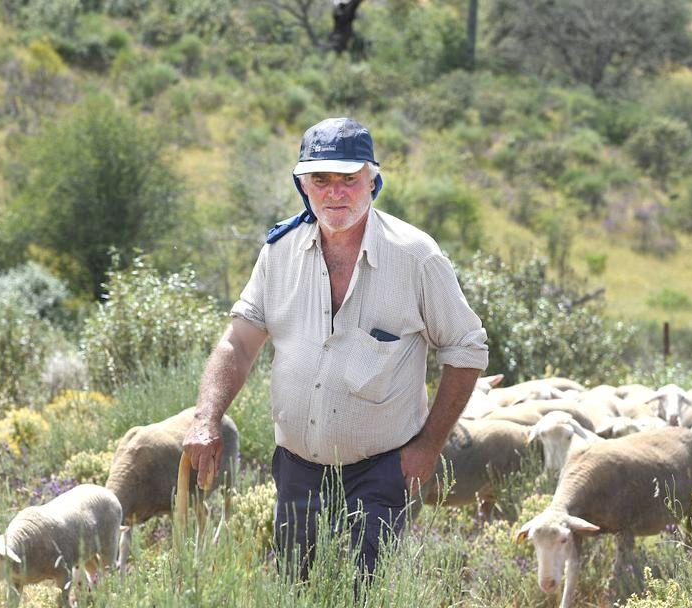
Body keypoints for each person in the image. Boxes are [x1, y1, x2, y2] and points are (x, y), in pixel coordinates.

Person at [183, 117, 488, 577]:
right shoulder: (279, 252)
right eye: (320, 179)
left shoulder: (416, 256)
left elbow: (466, 348)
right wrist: (206, 418)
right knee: (297, 589)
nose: (335, 192)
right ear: (302, 184)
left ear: (373, 179)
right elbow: (239, 343)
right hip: (296, 473)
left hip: (382, 472)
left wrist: (428, 446)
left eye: (349, 178)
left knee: (366, 593)